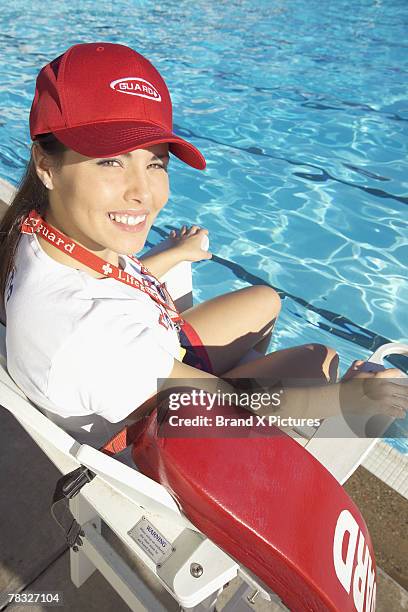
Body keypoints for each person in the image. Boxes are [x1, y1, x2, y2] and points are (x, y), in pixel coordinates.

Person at [0, 42, 405, 451]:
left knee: (265, 300)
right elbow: (233, 407)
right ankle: (256, 449)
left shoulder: (40, 231)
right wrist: (347, 401)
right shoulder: (92, 340)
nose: (144, 193)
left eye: (155, 162)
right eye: (111, 161)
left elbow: (105, 287)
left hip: (153, 360)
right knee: (318, 360)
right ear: (45, 165)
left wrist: (172, 255)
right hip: (157, 434)